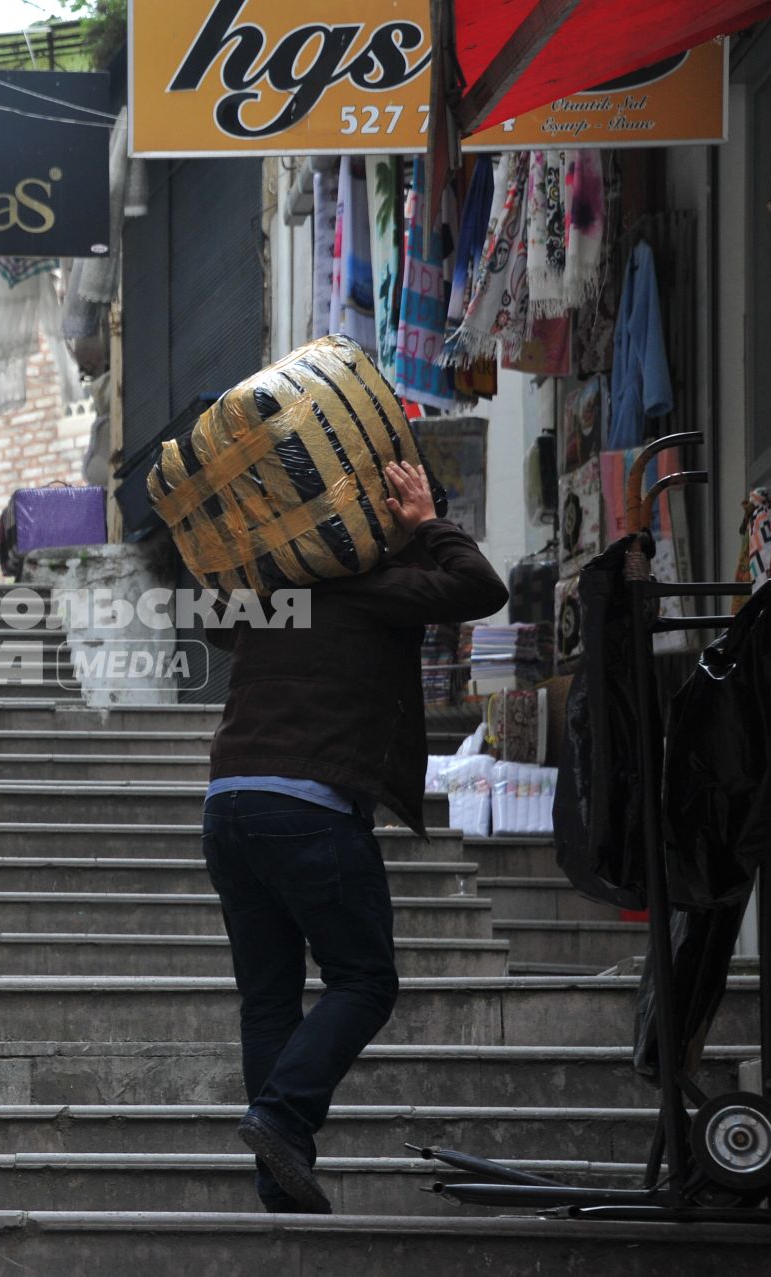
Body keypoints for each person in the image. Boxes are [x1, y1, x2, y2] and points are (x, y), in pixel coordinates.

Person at [204, 461, 506, 1214]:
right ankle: (281, 1116)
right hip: (307, 806)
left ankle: (283, 1178)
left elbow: (210, 617)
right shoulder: (378, 590)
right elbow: (482, 587)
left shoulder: (275, 593)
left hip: (229, 804)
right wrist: (426, 520)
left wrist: (259, 540)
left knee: (268, 999)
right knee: (366, 979)